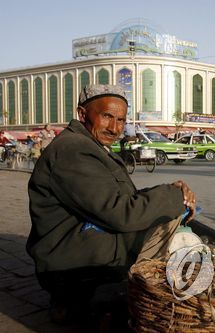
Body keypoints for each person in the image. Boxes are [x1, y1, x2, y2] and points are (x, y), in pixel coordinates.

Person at [26, 84, 197, 323]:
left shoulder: (93, 147)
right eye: (107, 116)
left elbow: (119, 198)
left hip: (91, 248)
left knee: (174, 220)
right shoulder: (74, 151)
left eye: (121, 120)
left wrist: (172, 191)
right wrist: (173, 197)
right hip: (74, 265)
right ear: (82, 114)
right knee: (170, 225)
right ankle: (83, 299)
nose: (115, 128)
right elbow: (121, 213)